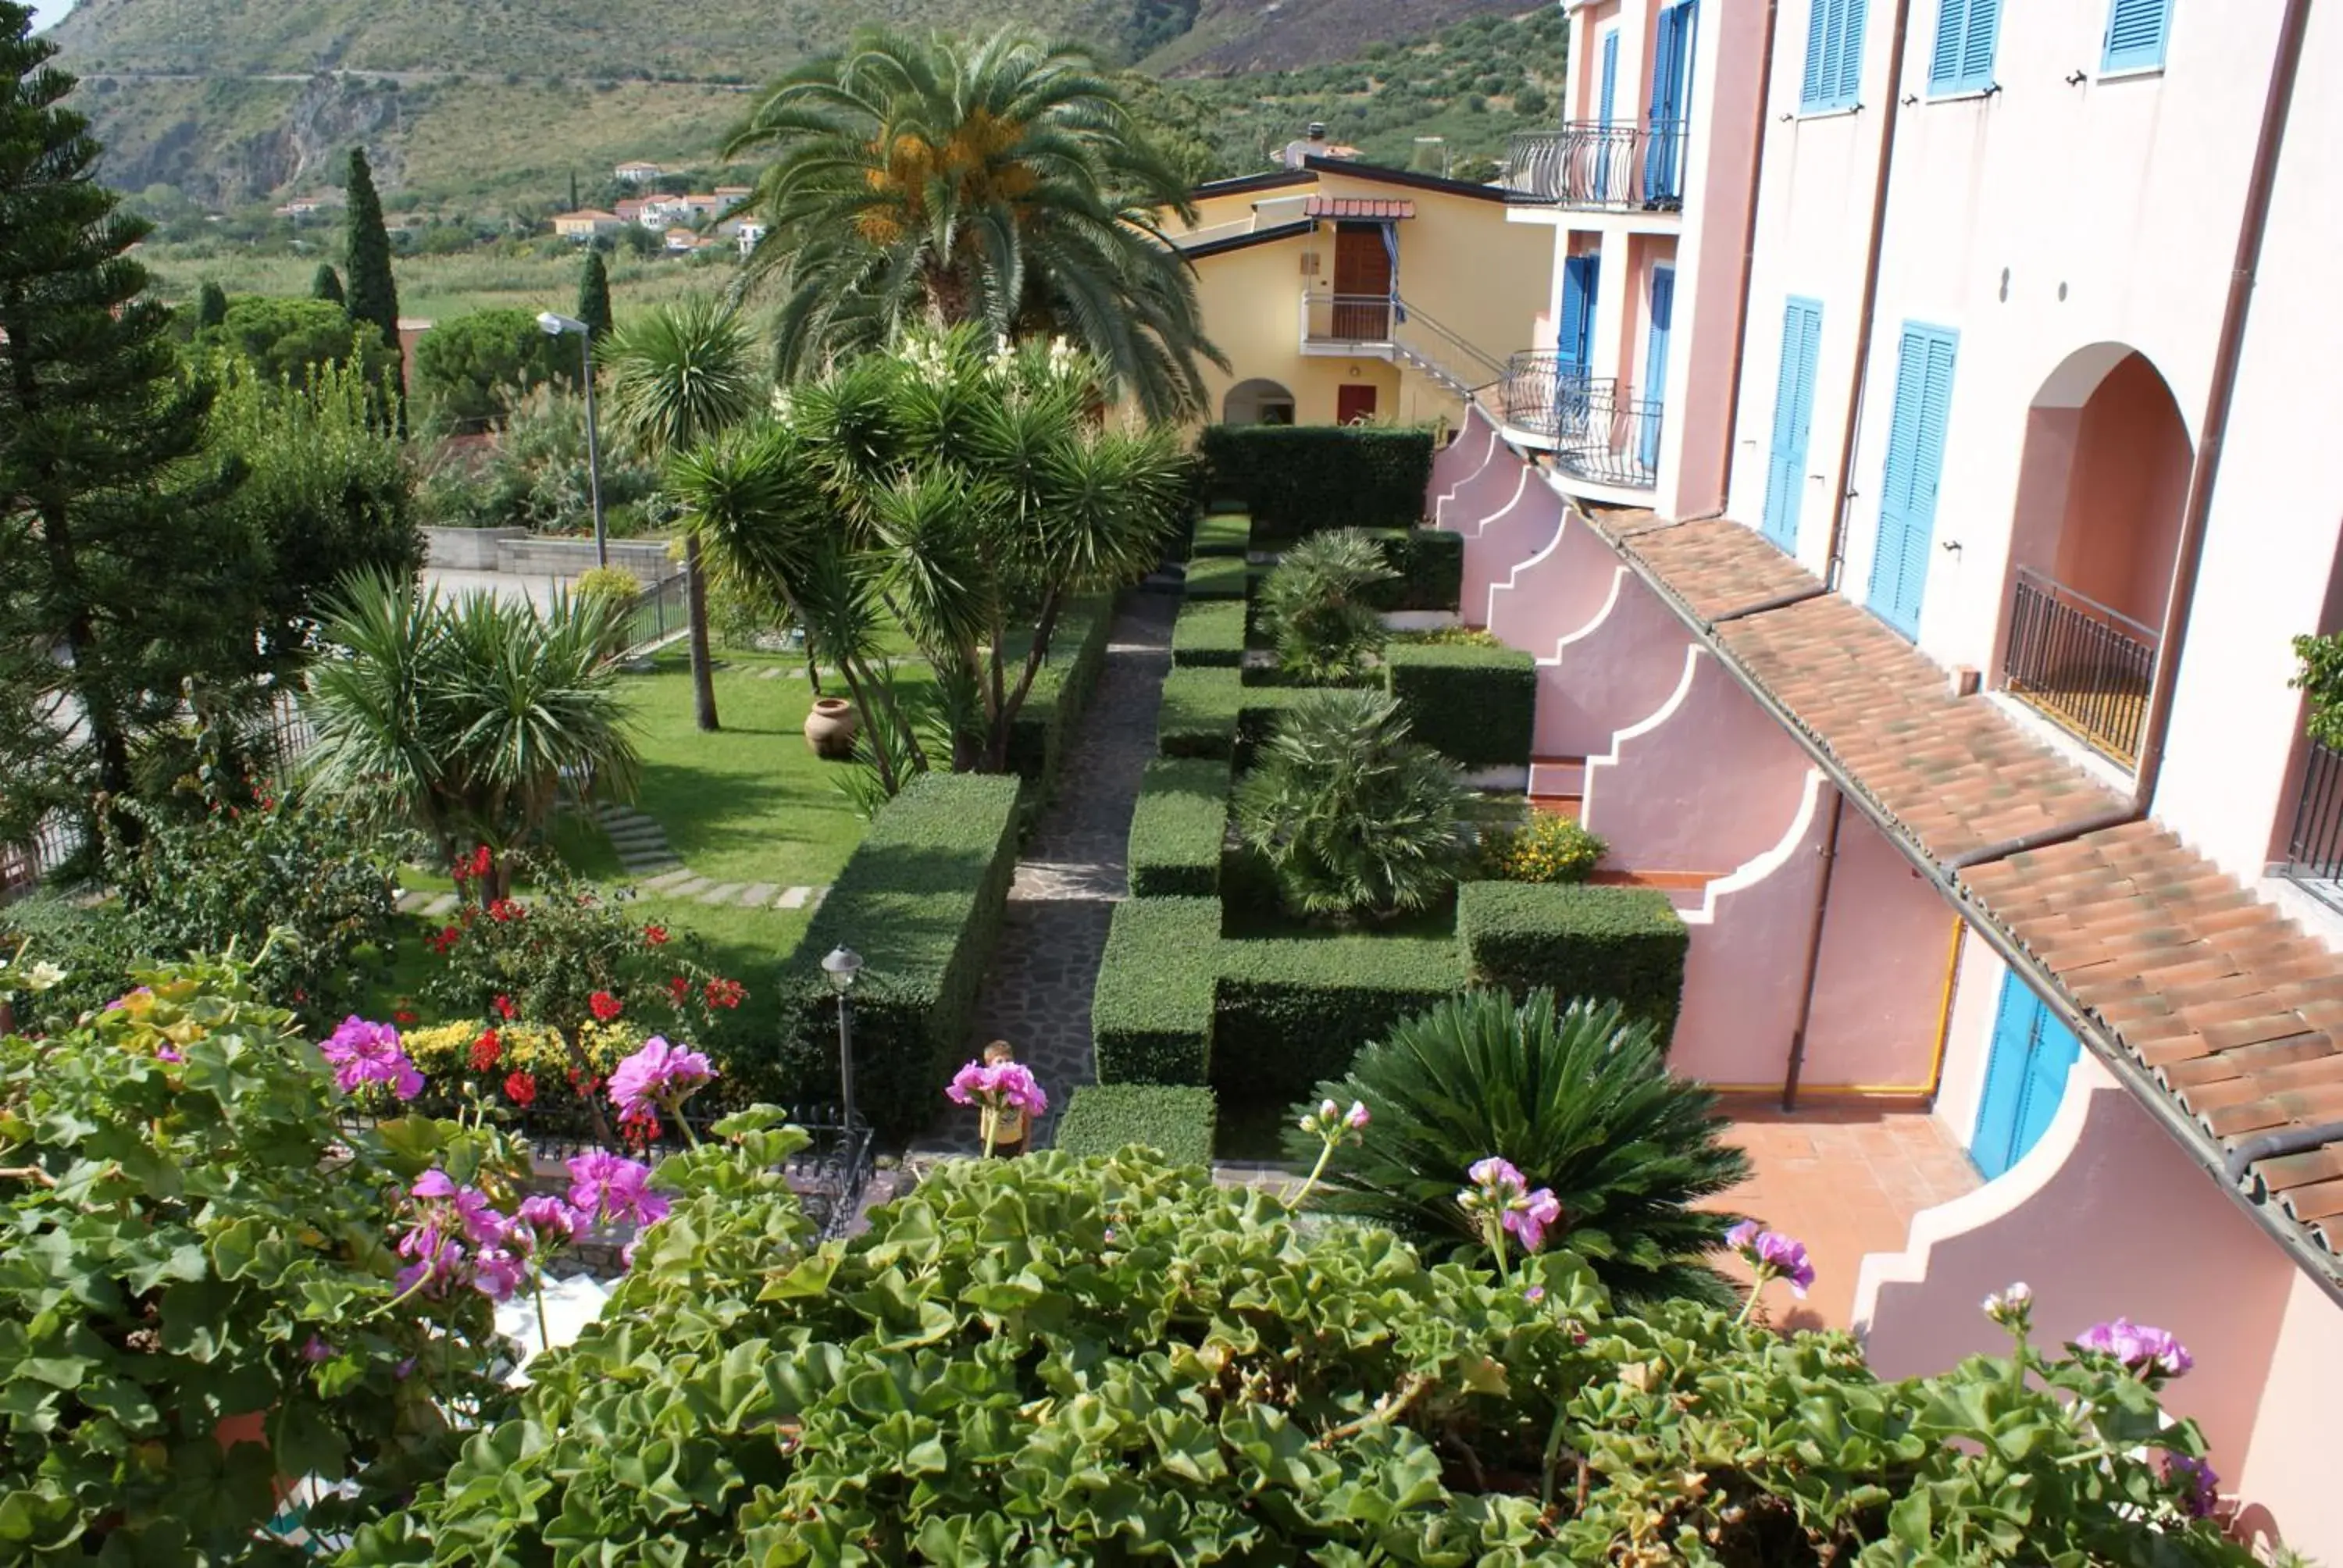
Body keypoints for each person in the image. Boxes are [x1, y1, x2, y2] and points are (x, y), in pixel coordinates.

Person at [979, 1039, 1028, 1158]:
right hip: (990, 1141)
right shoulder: (986, 1086)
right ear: (989, 1066)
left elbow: (1026, 1116)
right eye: (999, 1062)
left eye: (1008, 1061)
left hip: (1015, 1141)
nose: (1005, 1065)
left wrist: (1027, 1141)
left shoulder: (1021, 1088)